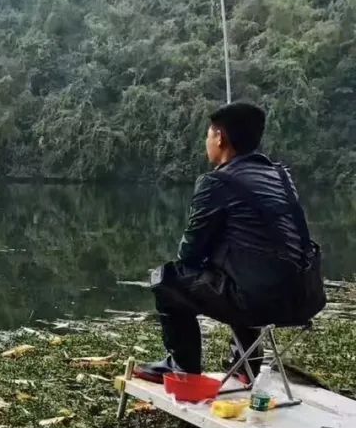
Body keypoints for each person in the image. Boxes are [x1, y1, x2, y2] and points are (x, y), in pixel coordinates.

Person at [135, 102, 325, 383]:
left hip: (260, 303)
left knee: (167, 280)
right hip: (304, 297)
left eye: (208, 134)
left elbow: (188, 254)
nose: (207, 142)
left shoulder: (216, 182)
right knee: (241, 269)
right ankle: (245, 366)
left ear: (220, 137)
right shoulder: (281, 175)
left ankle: (182, 367)